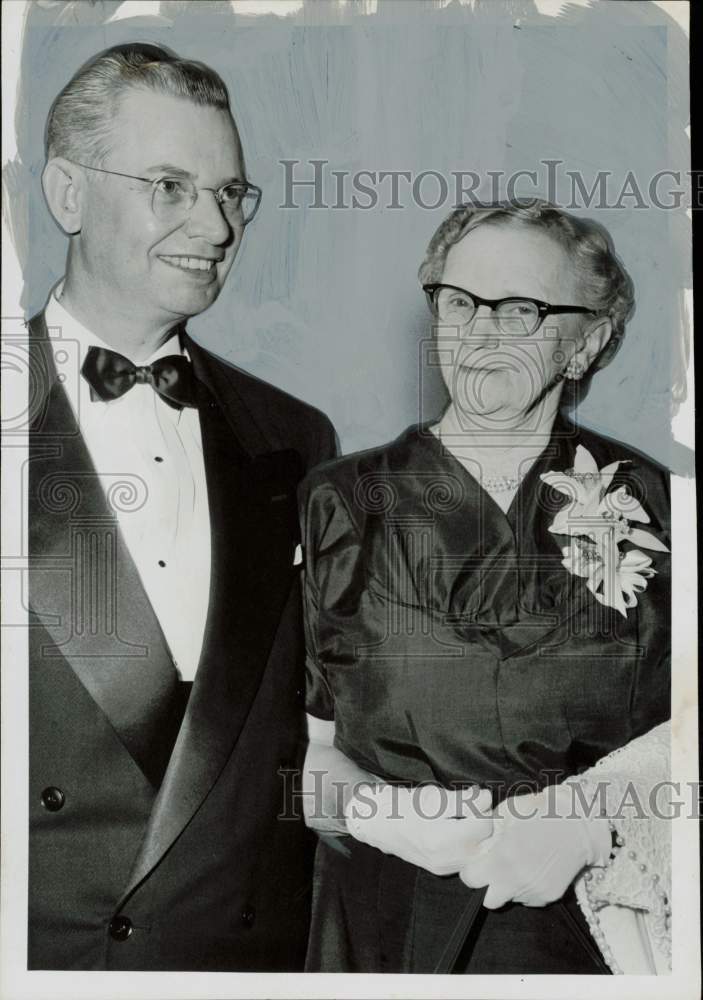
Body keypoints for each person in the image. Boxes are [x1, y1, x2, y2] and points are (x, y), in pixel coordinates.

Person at [300, 200, 671, 974]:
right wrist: (385, 816)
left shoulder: (659, 506)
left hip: (598, 924)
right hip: (386, 928)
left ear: (588, 341)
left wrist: (593, 815)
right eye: (461, 302)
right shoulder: (338, 502)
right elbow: (291, 752)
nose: (478, 333)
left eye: (521, 310)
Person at [27, 42, 335, 971]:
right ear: (68, 195)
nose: (214, 224)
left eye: (229, 193)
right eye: (169, 186)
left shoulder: (294, 436)